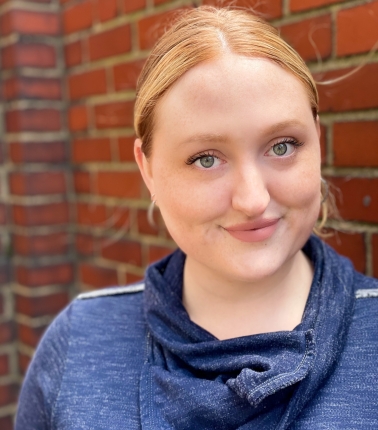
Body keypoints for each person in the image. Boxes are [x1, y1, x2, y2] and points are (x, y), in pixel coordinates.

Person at [16, 6, 378, 430]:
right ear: (147, 168)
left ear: (317, 138)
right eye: (206, 158)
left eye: (282, 146)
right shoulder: (78, 345)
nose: (253, 199)